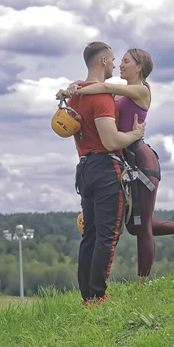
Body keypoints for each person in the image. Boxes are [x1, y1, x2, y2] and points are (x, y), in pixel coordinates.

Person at [60, 48, 174, 285]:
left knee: (141, 225)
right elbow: (97, 89)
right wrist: (73, 86)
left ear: (139, 68)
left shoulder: (140, 90)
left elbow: (102, 87)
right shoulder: (121, 95)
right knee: (132, 224)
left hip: (142, 161)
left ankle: (142, 285)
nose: (120, 65)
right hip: (127, 161)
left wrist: (74, 88)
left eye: (126, 62)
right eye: (119, 61)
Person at [63, 41, 146, 305]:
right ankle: (98, 296)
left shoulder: (76, 94)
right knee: (107, 236)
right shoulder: (100, 97)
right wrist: (133, 135)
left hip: (84, 167)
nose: (114, 64)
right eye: (112, 59)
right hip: (106, 167)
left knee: (90, 235)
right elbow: (110, 141)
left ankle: (87, 296)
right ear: (102, 61)